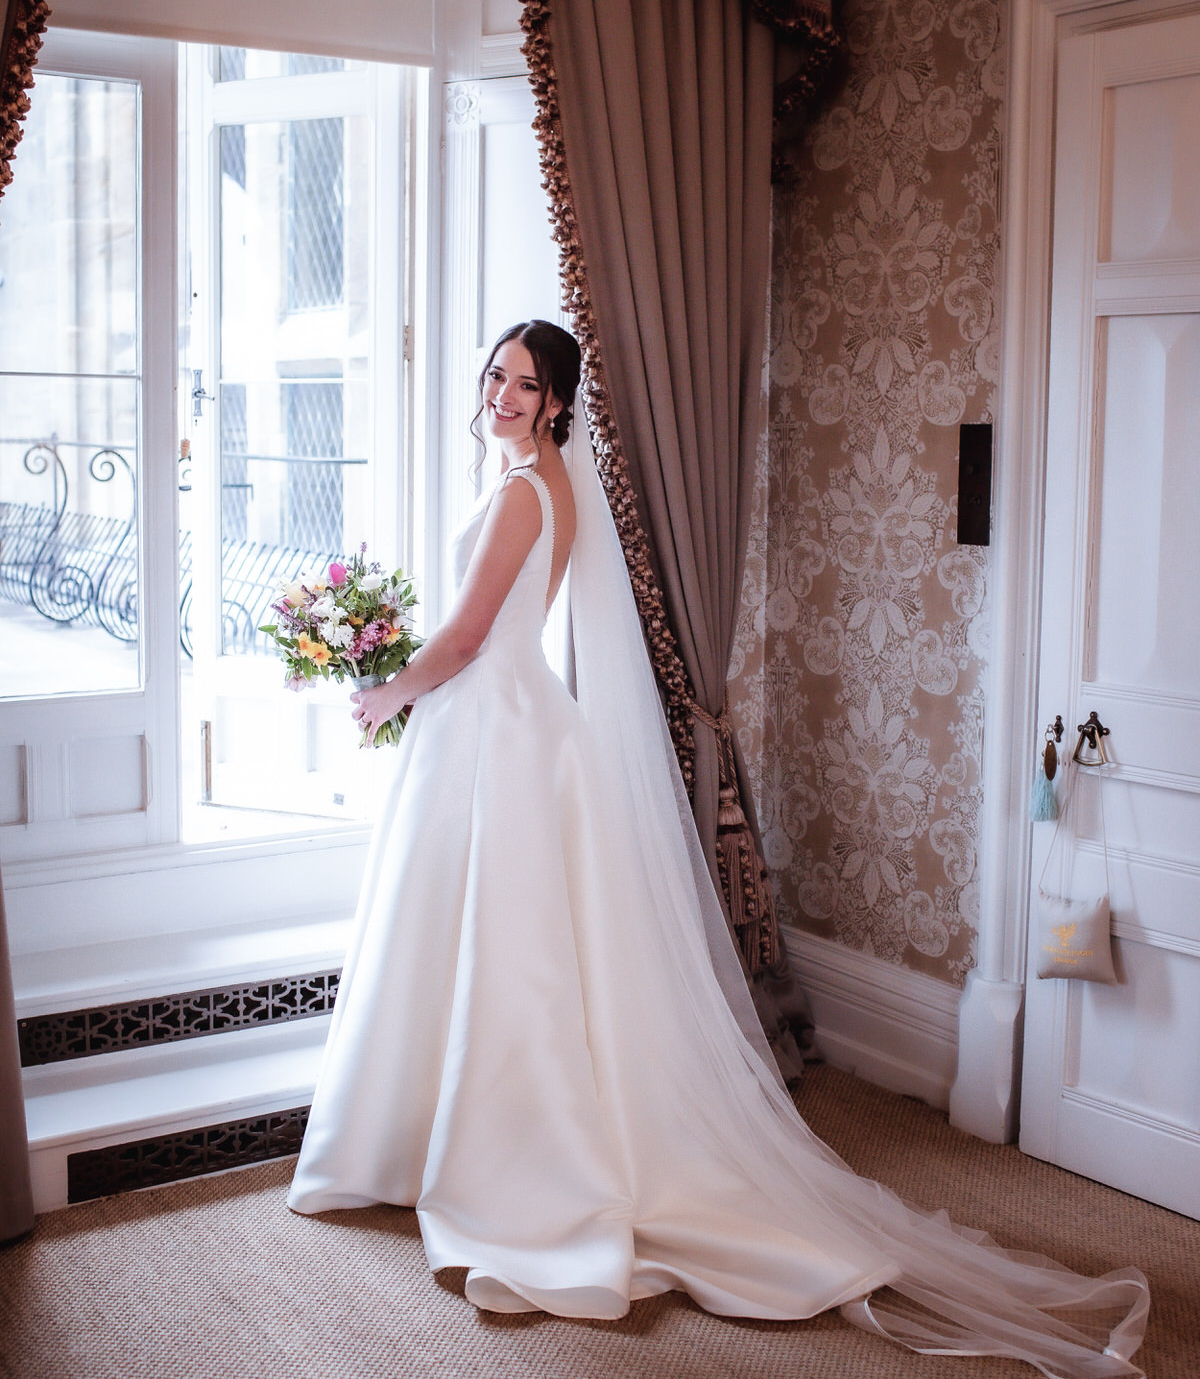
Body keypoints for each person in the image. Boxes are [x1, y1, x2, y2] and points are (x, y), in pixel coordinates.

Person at [288, 320, 1149, 1376]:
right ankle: (434, 1133)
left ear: (559, 401)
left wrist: (385, 691)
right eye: (497, 376)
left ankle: (507, 1155)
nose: (504, 394)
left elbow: (467, 639)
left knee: (507, 958)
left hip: (495, 731)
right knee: (486, 947)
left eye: (527, 383)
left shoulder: (526, 491)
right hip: (503, 727)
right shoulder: (539, 477)